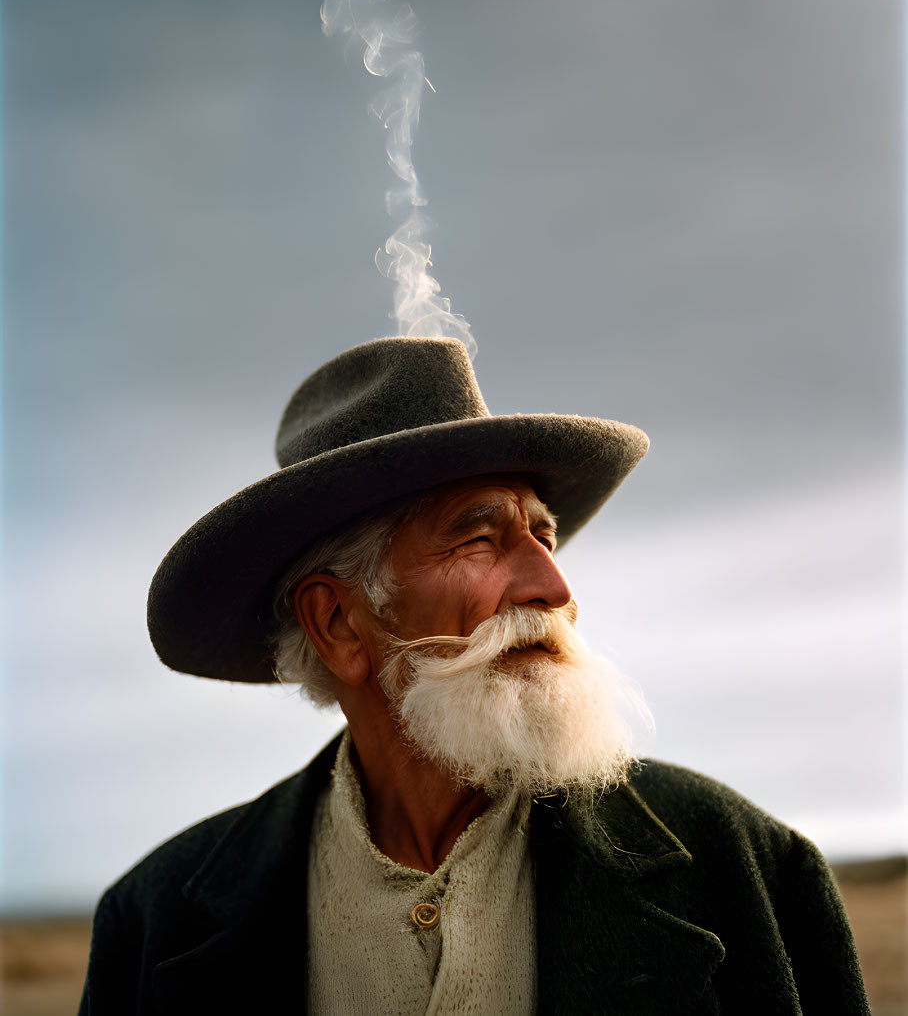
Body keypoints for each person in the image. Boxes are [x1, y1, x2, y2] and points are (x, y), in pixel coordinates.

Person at [80, 337, 869, 1015]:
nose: (553, 588)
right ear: (338, 624)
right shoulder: (157, 922)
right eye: (481, 539)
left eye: (545, 536)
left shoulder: (751, 870)